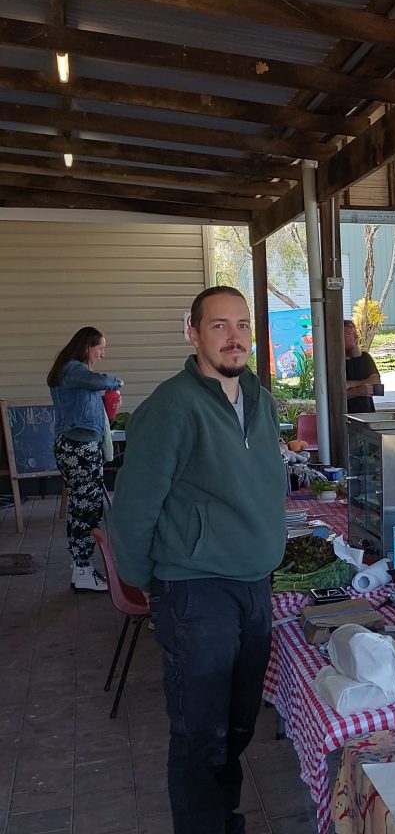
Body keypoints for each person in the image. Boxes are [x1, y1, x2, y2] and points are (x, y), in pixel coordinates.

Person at [110, 286, 286, 834]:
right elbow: (133, 510)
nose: (234, 338)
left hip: (255, 584)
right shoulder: (170, 408)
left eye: (241, 325)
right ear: (193, 333)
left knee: (236, 726)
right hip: (195, 590)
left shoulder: (259, 397)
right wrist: (146, 585)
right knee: (199, 731)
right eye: (218, 326)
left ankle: (222, 819)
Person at [48, 326, 123, 592]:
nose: (102, 354)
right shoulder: (73, 370)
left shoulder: (71, 372)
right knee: (85, 509)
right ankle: (82, 569)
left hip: (78, 446)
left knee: (86, 505)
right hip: (79, 448)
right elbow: (101, 381)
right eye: (100, 348)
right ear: (86, 347)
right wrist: (117, 382)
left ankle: (82, 567)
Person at [343, 319, 380, 414]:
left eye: (356, 332)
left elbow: (376, 381)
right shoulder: (333, 362)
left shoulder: (365, 357)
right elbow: (331, 395)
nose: (356, 337)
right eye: (351, 333)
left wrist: (351, 384)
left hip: (367, 417)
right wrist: (357, 391)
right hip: (343, 419)